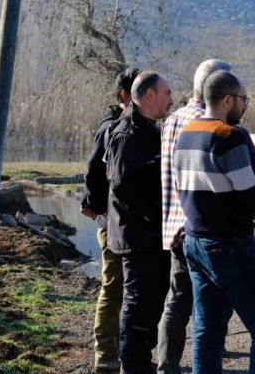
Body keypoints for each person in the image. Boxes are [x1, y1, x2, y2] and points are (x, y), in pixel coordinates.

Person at [158, 60, 255, 374]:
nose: (245, 107)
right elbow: (249, 192)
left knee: (207, 329)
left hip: (194, 241)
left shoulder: (186, 133)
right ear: (227, 100)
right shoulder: (227, 135)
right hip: (230, 243)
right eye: (244, 100)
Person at [104, 71, 174, 374]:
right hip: (137, 234)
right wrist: (152, 213)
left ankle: (140, 359)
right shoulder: (127, 133)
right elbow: (122, 184)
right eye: (167, 93)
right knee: (137, 303)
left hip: (151, 234)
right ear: (149, 96)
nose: (171, 99)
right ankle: (132, 366)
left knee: (153, 300)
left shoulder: (148, 129)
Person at [81, 67, 141, 373]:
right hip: (113, 223)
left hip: (128, 224)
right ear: (125, 96)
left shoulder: (136, 125)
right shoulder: (112, 127)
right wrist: (94, 206)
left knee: (127, 288)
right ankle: (105, 355)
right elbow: (92, 171)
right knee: (113, 287)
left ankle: (121, 350)